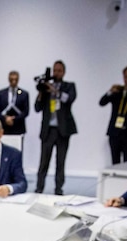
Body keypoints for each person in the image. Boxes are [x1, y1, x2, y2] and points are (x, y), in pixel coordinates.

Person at [34, 60, 77, 195]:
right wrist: (41, 92)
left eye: (59, 70)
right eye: (55, 70)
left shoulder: (69, 86)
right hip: (48, 130)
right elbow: (37, 108)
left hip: (63, 130)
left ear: (63, 72)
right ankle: (39, 187)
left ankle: (58, 189)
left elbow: (69, 99)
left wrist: (54, 90)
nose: (56, 73)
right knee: (43, 162)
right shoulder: (46, 88)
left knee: (60, 161)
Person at [0, 71, 30, 137]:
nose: (13, 82)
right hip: (4, 127)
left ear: (18, 80)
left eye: (15, 80)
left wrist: (14, 119)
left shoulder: (24, 94)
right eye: (11, 80)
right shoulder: (1, 93)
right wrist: (5, 119)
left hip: (18, 127)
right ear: (8, 79)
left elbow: (26, 111)